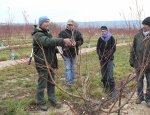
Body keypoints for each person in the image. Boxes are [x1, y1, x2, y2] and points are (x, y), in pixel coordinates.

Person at [32, 16, 73, 111]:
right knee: (42, 84)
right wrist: (62, 41)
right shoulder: (37, 34)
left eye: (48, 22)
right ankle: (40, 102)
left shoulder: (47, 32)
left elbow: (51, 45)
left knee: (51, 82)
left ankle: (52, 100)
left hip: (50, 62)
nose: (47, 23)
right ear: (41, 23)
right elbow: (47, 42)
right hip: (42, 63)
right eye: (45, 22)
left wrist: (61, 49)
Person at [129, 17, 150, 107]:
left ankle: (148, 99)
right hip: (138, 63)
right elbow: (133, 49)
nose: (144, 26)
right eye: (143, 24)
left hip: (149, 65)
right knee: (139, 81)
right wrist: (132, 60)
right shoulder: (137, 36)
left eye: (145, 25)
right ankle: (140, 97)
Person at [58, 19, 83, 87]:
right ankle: (69, 83)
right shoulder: (62, 33)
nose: (70, 26)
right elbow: (59, 41)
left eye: (71, 25)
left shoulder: (77, 33)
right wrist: (65, 44)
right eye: (69, 25)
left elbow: (81, 41)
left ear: (73, 25)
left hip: (74, 53)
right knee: (68, 68)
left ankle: (72, 80)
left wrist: (76, 43)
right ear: (67, 25)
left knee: (73, 68)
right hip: (66, 53)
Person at [96, 26, 116, 96]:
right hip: (102, 60)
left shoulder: (111, 38)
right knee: (103, 74)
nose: (103, 32)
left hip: (110, 59)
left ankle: (112, 90)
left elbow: (113, 48)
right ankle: (105, 87)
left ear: (107, 31)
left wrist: (108, 56)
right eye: (102, 31)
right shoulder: (100, 39)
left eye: (104, 31)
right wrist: (101, 56)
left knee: (110, 75)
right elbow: (97, 49)